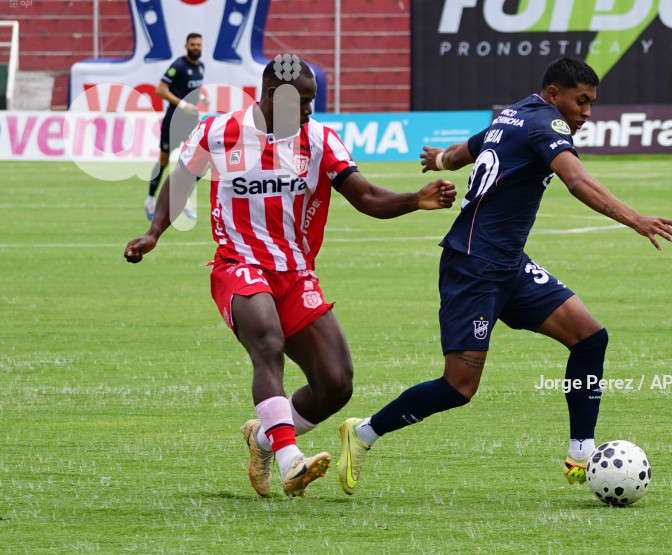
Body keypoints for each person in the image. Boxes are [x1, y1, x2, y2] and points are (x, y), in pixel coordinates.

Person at [335, 57, 672, 495]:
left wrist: (439, 161)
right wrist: (635, 218)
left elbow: (466, 150)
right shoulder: (546, 125)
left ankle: (580, 453)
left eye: (592, 104)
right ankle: (363, 433)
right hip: (474, 267)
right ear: (555, 95)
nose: (587, 113)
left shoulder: (512, 115)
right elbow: (576, 180)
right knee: (458, 387)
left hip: (508, 264)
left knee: (590, 338)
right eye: (582, 102)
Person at [124, 55, 457, 498]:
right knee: (267, 341)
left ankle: (262, 439)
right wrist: (154, 232)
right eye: (301, 101)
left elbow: (366, 197)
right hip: (237, 264)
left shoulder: (319, 140)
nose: (309, 111)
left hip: (295, 273)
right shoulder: (218, 132)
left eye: (312, 101)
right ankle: (289, 459)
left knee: (336, 384)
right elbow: (182, 177)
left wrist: (416, 199)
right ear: (270, 97)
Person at [145, 32, 209, 221]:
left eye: (198, 44)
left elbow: (190, 89)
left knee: (197, 162)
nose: (196, 47)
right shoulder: (178, 65)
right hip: (174, 120)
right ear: (186, 46)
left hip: (191, 121)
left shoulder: (201, 67)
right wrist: (182, 104)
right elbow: (160, 89)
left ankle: (185, 200)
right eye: (192, 44)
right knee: (163, 161)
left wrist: (202, 98)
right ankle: (150, 200)